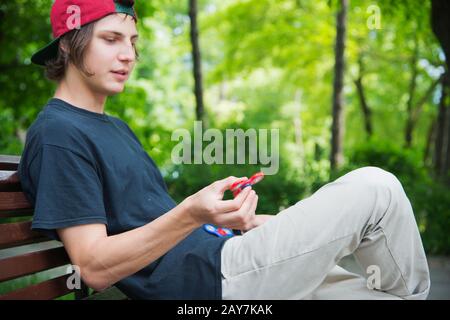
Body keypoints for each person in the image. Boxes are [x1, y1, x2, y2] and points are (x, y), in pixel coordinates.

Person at [19, 0, 430, 300]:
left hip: (227, 253)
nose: (128, 54)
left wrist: (234, 221)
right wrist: (191, 212)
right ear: (69, 45)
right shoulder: (59, 135)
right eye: (111, 39)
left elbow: (155, 224)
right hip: (216, 282)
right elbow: (92, 266)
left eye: (132, 40)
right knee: (377, 187)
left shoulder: (114, 128)